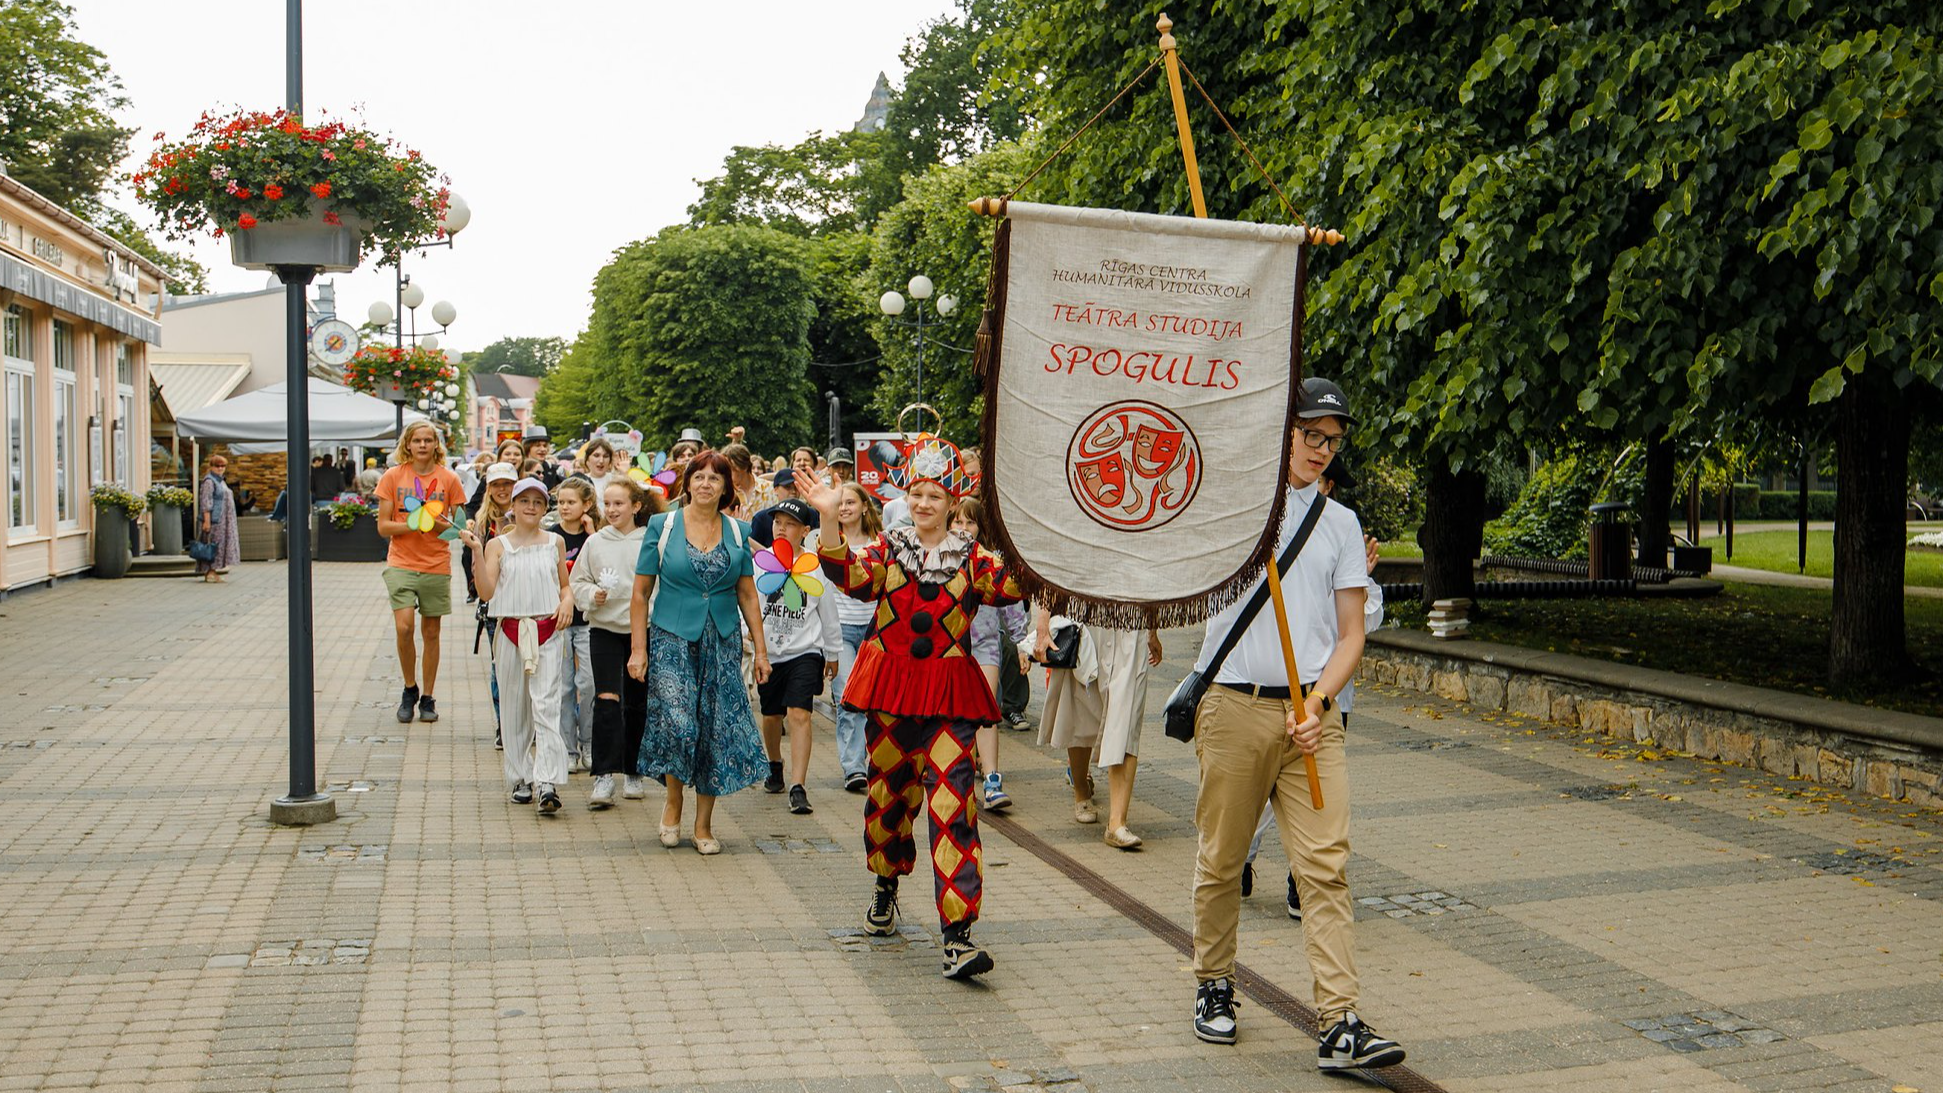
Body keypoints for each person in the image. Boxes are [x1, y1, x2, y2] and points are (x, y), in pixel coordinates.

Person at [1184, 377, 1405, 1071]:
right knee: (1222, 857)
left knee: (1324, 867)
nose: (1321, 449)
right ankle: (1213, 983)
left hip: (1311, 714)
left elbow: (1349, 635)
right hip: (1233, 705)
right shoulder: (1232, 509)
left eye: (1331, 440)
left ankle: (1338, 1020)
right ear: (1279, 429)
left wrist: (1317, 704)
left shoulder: (1338, 523)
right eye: (1310, 434)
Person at [797, 435, 1023, 982]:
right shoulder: (887, 548)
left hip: (948, 696)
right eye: (917, 494)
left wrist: (1036, 534)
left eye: (935, 496)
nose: (924, 504)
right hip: (893, 692)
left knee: (953, 806)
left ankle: (957, 938)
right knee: (888, 794)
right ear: (906, 496)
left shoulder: (975, 558)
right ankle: (885, 882)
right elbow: (847, 575)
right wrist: (828, 520)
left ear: (952, 502)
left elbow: (1016, 584)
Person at [1243, 456, 1385, 914]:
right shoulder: (1272, 531)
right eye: (1316, 481)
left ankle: (1299, 880)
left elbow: (1366, 621)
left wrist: (1360, 580)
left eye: (1327, 484)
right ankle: (1242, 855)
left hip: (1328, 697)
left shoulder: (1340, 533)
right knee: (1267, 794)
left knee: (1316, 801)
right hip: (1275, 691)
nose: (1319, 489)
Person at [627, 451, 771, 855]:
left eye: (715, 478)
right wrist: (638, 651)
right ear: (687, 483)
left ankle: (703, 824)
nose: (706, 483)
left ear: (727, 487)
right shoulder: (662, 524)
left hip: (722, 640)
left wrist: (761, 651)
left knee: (714, 729)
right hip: (671, 637)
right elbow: (640, 594)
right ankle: (673, 802)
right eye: (699, 476)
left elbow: (747, 593)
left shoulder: (739, 532)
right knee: (678, 724)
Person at [471, 476, 574, 815]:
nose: (531, 507)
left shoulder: (554, 542)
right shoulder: (498, 545)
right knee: (515, 706)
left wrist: (567, 600)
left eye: (538, 502)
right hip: (511, 629)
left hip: (547, 627)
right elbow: (487, 592)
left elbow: (563, 584)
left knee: (546, 705)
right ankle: (519, 776)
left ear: (546, 508)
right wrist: (475, 550)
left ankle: (547, 780)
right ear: (512, 506)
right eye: (524, 501)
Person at [1035, 610, 1162, 849]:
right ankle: (1081, 789)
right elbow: (1059, 571)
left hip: (1132, 622)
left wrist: (1152, 628)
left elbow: (1149, 574)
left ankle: (1116, 823)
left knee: (1127, 714)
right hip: (1088, 613)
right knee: (1082, 708)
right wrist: (1043, 624)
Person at [571, 477, 662, 809]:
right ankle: (604, 775)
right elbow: (577, 581)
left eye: (619, 503)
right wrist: (590, 596)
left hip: (642, 629)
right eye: (606, 504)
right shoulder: (595, 543)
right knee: (607, 698)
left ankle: (634, 769)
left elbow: (661, 584)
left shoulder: (649, 541)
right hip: (604, 629)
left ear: (636, 506)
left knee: (637, 701)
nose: (611, 510)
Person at [374, 422, 468, 725]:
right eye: (417, 440)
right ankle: (409, 688)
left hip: (435, 564)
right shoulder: (393, 476)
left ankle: (428, 697)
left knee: (431, 632)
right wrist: (413, 524)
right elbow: (383, 526)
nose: (423, 445)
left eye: (429, 440)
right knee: (404, 628)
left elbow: (456, 528)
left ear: (436, 445)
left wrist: (433, 518)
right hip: (401, 561)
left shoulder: (448, 478)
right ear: (408, 445)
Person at [753, 497, 841, 815]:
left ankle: (798, 785)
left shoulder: (816, 567)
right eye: (777, 522)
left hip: (806, 651)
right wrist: (750, 640)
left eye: (789, 524)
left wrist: (832, 652)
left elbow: (828, 613)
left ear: (805, 531)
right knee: (771, 715)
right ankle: (775, 764)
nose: (781, 528)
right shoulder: (760, 561)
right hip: (769, 653)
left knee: (799, 714)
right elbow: (748, 603)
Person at [946, 497, 1028, 811]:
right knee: (953, 714)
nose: (963, 528)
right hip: (949, 647)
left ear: (980, 527)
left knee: (986, 709)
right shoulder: (938, 559)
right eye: (958, 522)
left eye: (970, 522)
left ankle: (992, 779)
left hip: (985, 645)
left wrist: (1022, 643)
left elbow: (1011, 605)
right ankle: (958, 775)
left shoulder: (991, 561)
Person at [805, 482, 880, 793]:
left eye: (852, 502)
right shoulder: (825, 541)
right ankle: (853, 767)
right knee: (849, 697)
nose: (846, 507)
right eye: (841, 503)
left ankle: (877, 759)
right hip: (842, 630)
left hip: (876, 630)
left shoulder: (881, 543)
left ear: (864, 506)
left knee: (876, 701)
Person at [552, 477, 602, 772]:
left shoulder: (593, 537)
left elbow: (598, 570)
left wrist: (592, 532)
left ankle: (588, 742)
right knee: (563, 686)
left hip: (587, 620)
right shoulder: (552, 536)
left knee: (590, 684)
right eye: (560, 502)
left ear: (586, 505)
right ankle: (567, 748)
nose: (565, 507)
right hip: (559, 620)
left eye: (571, 502)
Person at [471, 463, 518, 745]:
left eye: (508, 484)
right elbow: (473, 567)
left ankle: (524, 723)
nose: (503, 490)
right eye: (497, 484)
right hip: (495, 606)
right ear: (489, 488)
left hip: (528, 603)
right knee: (500, 666)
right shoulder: (481, 523)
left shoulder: (529, 514)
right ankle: (504, 725)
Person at [195, 454, 240, 582]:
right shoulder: (209, 481)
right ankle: (210, 571)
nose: (220, 468)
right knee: (213, 545)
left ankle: (212, 571)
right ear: (212, 466)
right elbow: (206, 502)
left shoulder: (221, 480)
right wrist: (207, 521)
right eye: (217, 466)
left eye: (223, 466)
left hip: (223, 520)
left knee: (218, 546)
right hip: (215, 520)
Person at [721, 443, 773, 516]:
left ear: (744, 467)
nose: (726, 475)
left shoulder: (770, 489)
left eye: (730, 469)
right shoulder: (725, 495)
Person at [522, 426, 563, 492]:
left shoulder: (554, 470)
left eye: (545, 446)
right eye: (537, 445)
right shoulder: (519, 468)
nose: (543, 449)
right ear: (527, 448)